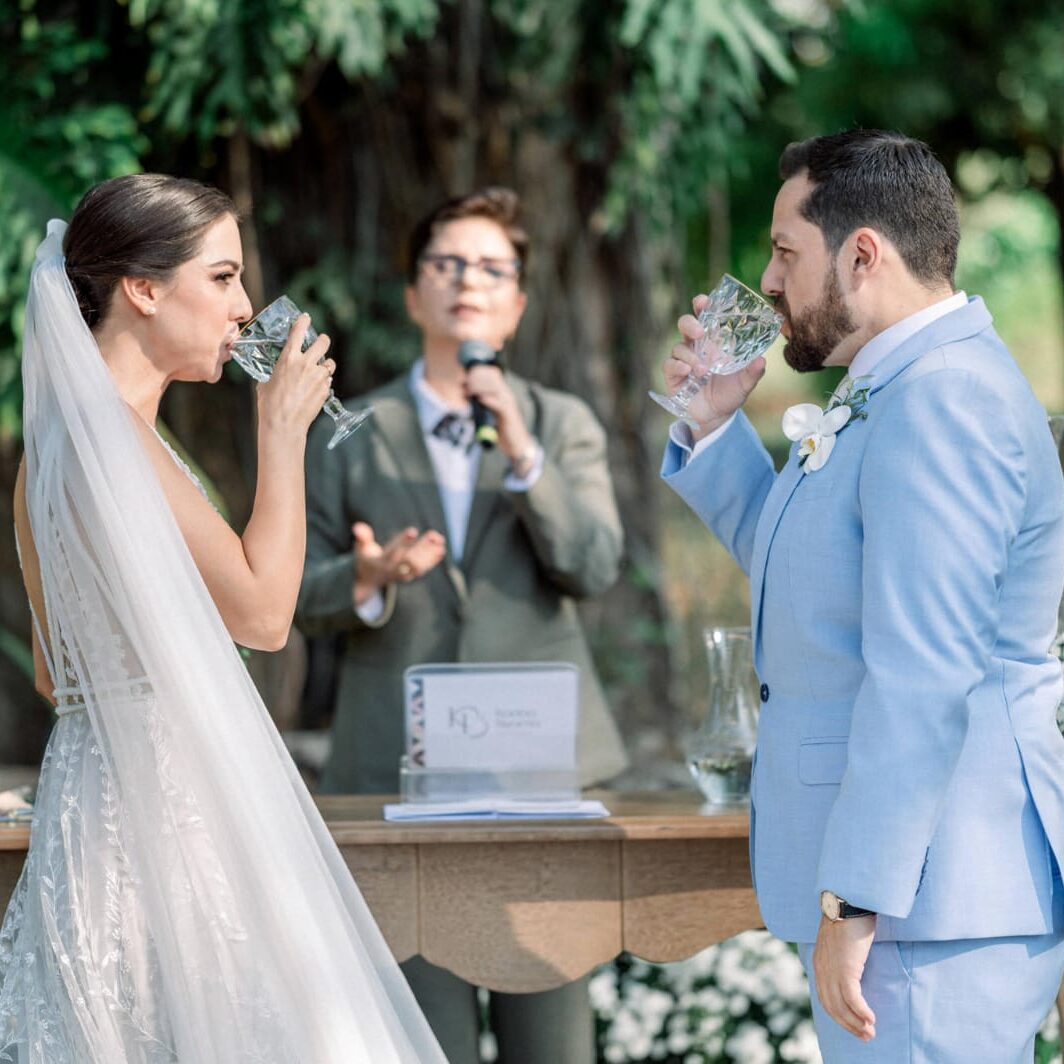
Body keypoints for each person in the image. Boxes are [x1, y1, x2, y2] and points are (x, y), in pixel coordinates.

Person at [0, 174, 446, 1063]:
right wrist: (282, 433)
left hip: (94, 804)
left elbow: (56, 674)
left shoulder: (49, 451)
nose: (245, 308)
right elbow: (266, 616)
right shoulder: (117, 439)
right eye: (223, 277)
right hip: (174, 812)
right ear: (143, 288)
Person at [660, 130, 1064, 1062]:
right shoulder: (897, 386)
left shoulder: (943, 399)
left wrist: (856, 897)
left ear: (863, 254)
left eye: (785, 251)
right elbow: (813, 581)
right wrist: (714, 427)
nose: (768, 280)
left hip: (930, 899)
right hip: (920, 903)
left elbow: (925, 673)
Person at [297, 187, 627, 1063]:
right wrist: (365, 579)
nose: (468, 281)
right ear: (414, 295)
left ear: (518, 302)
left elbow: (594, 565)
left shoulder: (560, 423)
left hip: (542, 783)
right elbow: (291, 594)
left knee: (553, 1045)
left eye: (491, 268)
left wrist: (523, 453)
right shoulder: (349, 430)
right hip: (393, 779)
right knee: (422, 1039)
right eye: (447, 264)